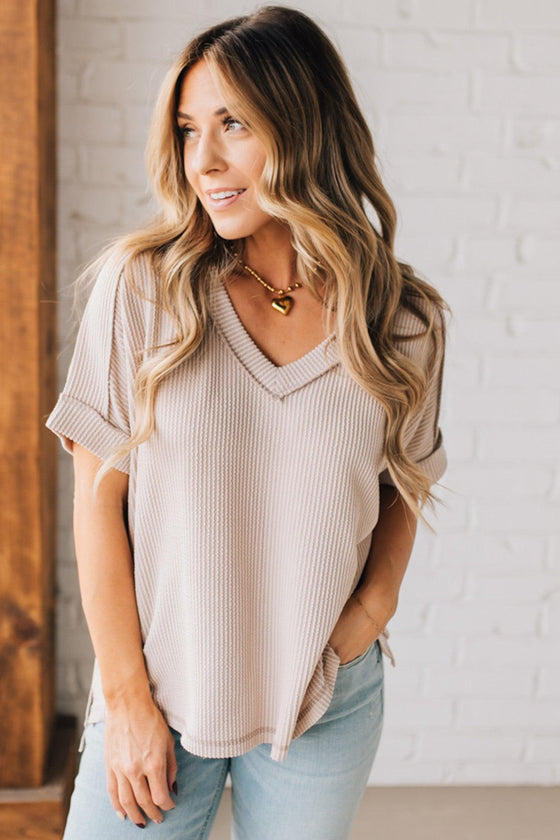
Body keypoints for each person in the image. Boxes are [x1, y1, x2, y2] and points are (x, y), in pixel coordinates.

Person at [46, 6, 450, 839]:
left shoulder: (402, 319)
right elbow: (96, 502)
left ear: (307, 125)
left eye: (233, 123)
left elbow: (403, 484)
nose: (204, 160)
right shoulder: (145, 292)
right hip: (159, 689)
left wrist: (361, 624)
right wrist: (126, 703)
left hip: (324, 700)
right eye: (191, 129)